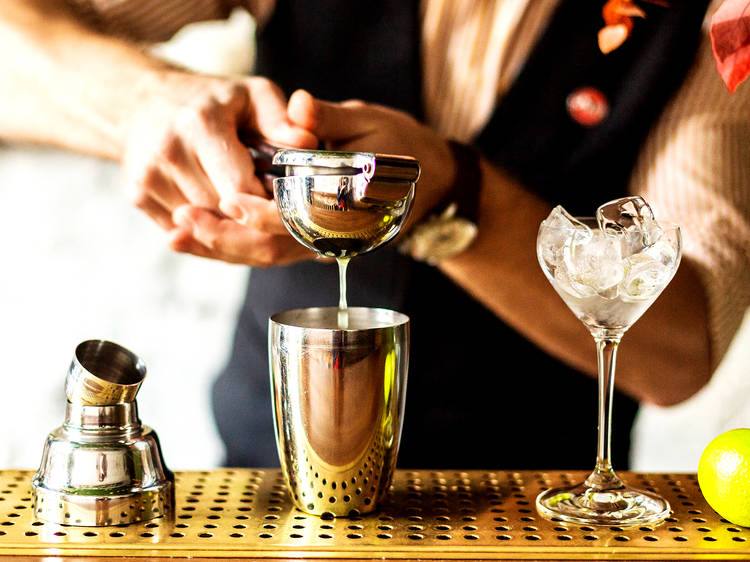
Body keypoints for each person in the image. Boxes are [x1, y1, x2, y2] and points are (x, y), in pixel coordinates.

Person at [1, 0, 748, 469]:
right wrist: (143, 99)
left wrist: (448, 192)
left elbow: (679, 350)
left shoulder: (713, 20)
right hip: (265, 480)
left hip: (524, 505)